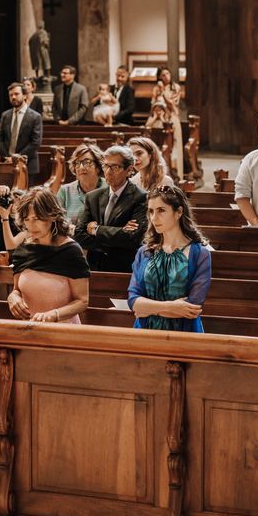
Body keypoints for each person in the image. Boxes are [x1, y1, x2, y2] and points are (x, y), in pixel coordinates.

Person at [128, 185, 211, 333]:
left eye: (161, 210)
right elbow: (133, 301)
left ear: (178, 212)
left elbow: (192, 308)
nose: (154, 218)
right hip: (145, 332)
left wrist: (148, 309)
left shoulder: (200, 254)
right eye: (151, 211)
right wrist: (171, 307)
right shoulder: (144, 252)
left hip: (184, 333)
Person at [6, 187, 90, 324]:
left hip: (62, 328)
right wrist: (12, 297)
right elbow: (17, 290)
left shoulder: (70, 251)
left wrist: (55, 314)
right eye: (27, 219)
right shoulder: (23, 249)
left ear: (53, 216)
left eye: (37, 218)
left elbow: (82, 301)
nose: (31, 225)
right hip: (29, 327)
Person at [75, 144, 148, 271]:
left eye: (115, 167)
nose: (108, 172)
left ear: (129, 170)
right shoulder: (93, 197)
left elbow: (134, 238)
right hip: (95, 267)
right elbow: (79, 234)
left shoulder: (141, 197)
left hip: (124, 268)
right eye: (106, 166)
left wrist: (96, 230)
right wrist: (117, 238)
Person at [0, 82, 43, 181]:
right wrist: (7, 157)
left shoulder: (35, 116)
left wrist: (17, 158)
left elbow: (35, 142)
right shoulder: (6, 115)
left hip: (27, 164)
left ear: (25, 95)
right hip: (7, 163)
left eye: (16, 94)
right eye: (11, 95)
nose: (13, 97)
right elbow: (0, 138)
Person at [57, 142, 107, 226]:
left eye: (87, 162)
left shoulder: (109, 188)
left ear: (98, 167)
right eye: (77, 163)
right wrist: (69, 227)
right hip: (73, 233)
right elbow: (57, 220)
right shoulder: (65, 191)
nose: (81, 167)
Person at [150, 67, 183, 180]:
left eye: (168, 74)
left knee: (174, 146)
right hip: (159, 120)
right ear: (159, 77)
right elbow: (153, 107)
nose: (166, 77)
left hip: (172, 118)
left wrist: (163, 92)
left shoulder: (176, 88)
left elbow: (171, 105)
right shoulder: (155, 89)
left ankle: (175, 174)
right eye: (163, 75)